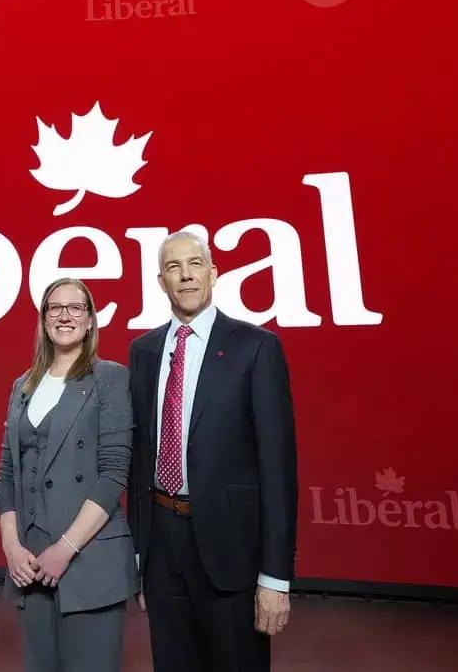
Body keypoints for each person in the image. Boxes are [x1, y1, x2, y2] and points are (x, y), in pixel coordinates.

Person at [128, 231, 298, 672]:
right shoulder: (143, 352)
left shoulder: (256, 348)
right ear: (161, 282)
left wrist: (275, 577)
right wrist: (140, 556)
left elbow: (278, 471)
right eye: (173, 268)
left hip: (232, 555)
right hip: (163, 549)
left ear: (213, 273)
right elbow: (139, 461)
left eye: (195, 264)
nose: (185, 276)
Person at [0, 278, 137, 672]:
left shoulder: (109, 377)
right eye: (54, 308)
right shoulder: (22, 385)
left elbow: (112, 474)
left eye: (75, 308)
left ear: (91, 320)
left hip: (88, 558)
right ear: (43, 320)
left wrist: (66, 549)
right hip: (31, 561)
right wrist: (11, 546)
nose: (64, 316)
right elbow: (6, 472)